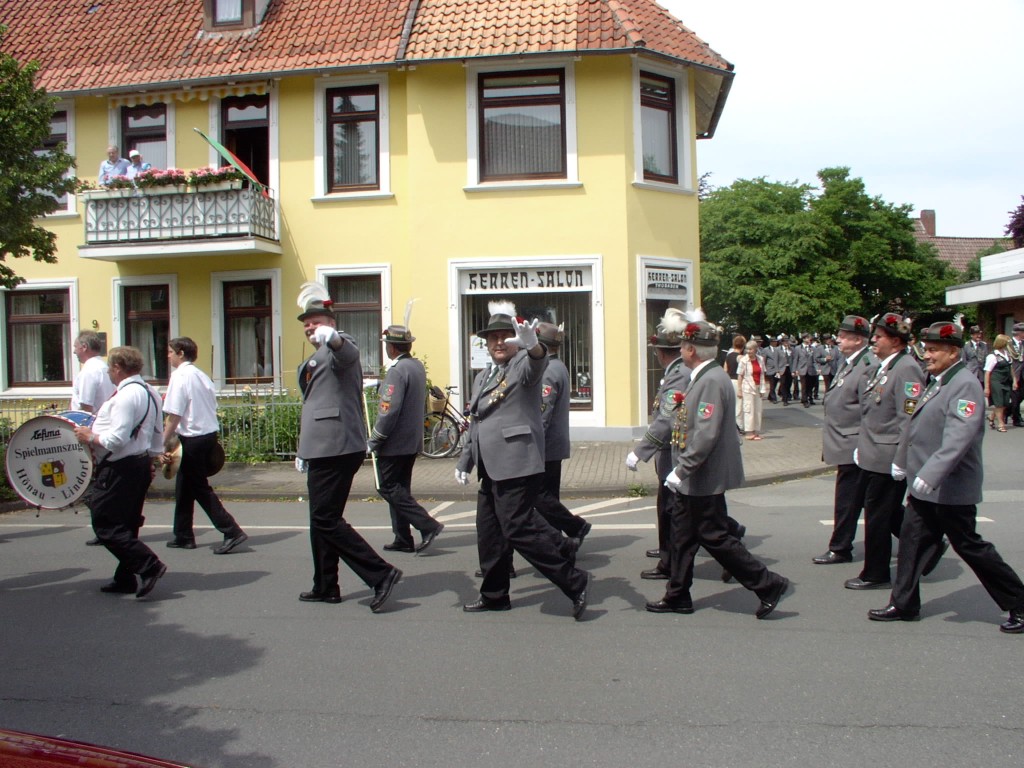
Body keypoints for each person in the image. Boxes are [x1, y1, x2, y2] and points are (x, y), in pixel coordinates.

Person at [870, 321, 1024, 633]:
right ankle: (904, 603)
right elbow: (914, 425)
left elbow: (959, 437)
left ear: (953, 352)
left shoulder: (964, 384)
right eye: (926, 349)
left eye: (933, 350)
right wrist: (902, 462)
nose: (926, 355)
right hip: (925, 486)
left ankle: (1019, 602)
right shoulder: (938, 380)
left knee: (970, 546)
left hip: (949, 486)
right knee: (911, 542)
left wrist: (932, 473)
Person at [455, 301, 590, 620]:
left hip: (517, 463)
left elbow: (536, 365)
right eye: (493, 338)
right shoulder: (483, 377)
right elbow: (477, 422)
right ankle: (494, 595)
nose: (499, 342)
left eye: (505, 336)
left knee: (517, 528)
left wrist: (533, 347)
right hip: (489, 466)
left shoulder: (521, 366)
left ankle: (574, 581)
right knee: (489, 531)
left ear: (515, 341)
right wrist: (465, 461)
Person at [646, 320, 789, 618]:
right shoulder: (704, 376)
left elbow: (705, 434)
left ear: (691, 350)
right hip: (697, 475)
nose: (680, 351)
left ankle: (767, 583)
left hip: (702, 474)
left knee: (714, 536)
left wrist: (681, 469)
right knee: (682, 536)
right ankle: (678, 595)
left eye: (683, 346)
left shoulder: (710, 380)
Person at [293, 282, 401, 611]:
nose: (310, 327)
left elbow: (349, 353)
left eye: (315, 321)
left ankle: (381, 574)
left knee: (325, 519)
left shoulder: (340, 345)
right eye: (306, 323)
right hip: (320, 448)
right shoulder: (315, 357)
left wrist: (335, 339)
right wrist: (303, 449)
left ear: (330, 323)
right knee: (321, 519)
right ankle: (326, 585)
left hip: (336, 447)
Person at [73, 346, 167, 598]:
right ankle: (125, 578)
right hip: (137, 464)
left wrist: (89, 436)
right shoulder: (150, 392)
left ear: (117, 367)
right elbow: (156, 434)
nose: (108, 373)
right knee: (127, 522)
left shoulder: (126, 396)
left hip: (120, 466)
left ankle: (149, 565)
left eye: (109, 368)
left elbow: (116, 440)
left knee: (104, 522)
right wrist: (150, 460)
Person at [845, 312, 925, 591]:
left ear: (896, 341)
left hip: (887, 457)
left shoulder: (907, 369)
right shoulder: (885, 367)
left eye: (879, 337)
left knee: (878, 519)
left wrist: (902, 460)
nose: (874, 341)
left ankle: (875, 572)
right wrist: (861, 446)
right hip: (872, 453)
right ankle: (927, 545)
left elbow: (908, 420)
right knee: (882, 513)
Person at [161, 337, 248, 554]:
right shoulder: (201, 375)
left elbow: (174, 414)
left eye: (170, 352)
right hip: (207, 435)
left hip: (193, 438)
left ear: (181, 353)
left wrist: (161, 442)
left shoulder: (180, 376)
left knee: (198, 487)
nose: (168, 356)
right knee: (184, 486)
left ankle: (231, 530)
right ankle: (183, 535)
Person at [627, 308, 693, 580]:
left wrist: (641, 450)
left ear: (661, 352)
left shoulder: (677, 373)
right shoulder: (675, 370)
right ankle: (667, 551)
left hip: (671, 450)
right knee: (672, 508)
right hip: (669, 449)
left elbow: (666, 417)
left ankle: (669, 561)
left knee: (671, 509)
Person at [368, 322, 444, 554]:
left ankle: (427, 525)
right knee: (400, 489)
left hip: (393, 442)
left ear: (391, 348)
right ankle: (402, 537)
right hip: (411, 440)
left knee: (387, 487)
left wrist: (375, 439)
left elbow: (389, 410)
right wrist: (381, 384)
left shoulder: (397, 370)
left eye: (386, 345)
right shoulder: (415, 366)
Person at [814, 315, 876, 565]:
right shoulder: (850, 362)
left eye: (843, 336)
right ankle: (925, 540)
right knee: (868, 501)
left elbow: (870, 410)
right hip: (845, 441)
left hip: (854, 443)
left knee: (848, 500)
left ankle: (840, 547)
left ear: (858, 340)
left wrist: (863, 444)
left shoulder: (867, 365)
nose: (838, 339)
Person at [532, 322, 592, 543]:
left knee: (538, 495)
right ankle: (555, 541)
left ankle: (575, 527)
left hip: (545, 446)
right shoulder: (558, 366)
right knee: (549, 496)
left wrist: (531, 445)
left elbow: (542, 414)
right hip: (553, 445)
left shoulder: (547, 370)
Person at [71, 331, 117, 546]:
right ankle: (111, 525)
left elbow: (86, 407)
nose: (74, 351)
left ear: (84, 347)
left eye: (75, 347)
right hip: (102, 429)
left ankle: (106, 528)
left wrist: (82, 433)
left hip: (91, 431)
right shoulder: (103, 367)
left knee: (96, 485)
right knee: (103, 483)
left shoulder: (90, 371)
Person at [735, 339, 767, 440]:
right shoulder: (743, 360)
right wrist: (739, 390)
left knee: (758, 410)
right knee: (749, 409)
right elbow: (740, 376)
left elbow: (762, 375)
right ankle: (749, 433)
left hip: (758, 387)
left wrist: (763, 389)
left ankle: (756, 431)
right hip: (747, 387)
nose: (748, 351)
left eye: (750, 349)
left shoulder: (760, 359)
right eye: (747, 349)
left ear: (755, 349)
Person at [983, 334, 1013, 432]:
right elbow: (987, 372)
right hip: (996, 381)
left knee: (1005, 403)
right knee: (998, 403)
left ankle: (991, 416)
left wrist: (1014, 380)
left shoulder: (1007, 354)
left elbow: (1011, 368)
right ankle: (1001, 424)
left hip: (1006, 381)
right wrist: (987, 387)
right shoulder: (992, 356)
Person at [723, 335, 746, 431]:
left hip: (730, 381)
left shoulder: (728, 356)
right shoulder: (741, 357)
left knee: (732, 404)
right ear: (743, 345)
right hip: (738, 382)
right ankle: (739, 425)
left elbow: (725, 370)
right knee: (739, 405)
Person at [792, 333, 816, 407]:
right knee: (804, 386)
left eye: (809, 338)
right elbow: (795, 359)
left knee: (810, 385)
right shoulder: (798, 348)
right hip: (802, 369)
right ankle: (804, 400)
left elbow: (814, 359)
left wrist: (817, 368)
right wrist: (794, 370)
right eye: (808, 338)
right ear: (804, 339)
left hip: (811, 369)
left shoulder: (812, 348)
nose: (809, 339)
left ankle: (810, 397)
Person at [1008, 322, 1024, 427]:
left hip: (1023, 375)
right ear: (1019, 333)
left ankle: (1006, 411)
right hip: (1014, 375)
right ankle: (1016, 418)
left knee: (1020, 397)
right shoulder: (1009, 344)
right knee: (1015, 398)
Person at [763, 336, 780, 403]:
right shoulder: (766, 350)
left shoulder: (778, 349)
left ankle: (770, 396)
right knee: (772, 384)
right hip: (770, 369)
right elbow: (764, 360)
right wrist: (764, 369)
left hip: (777, 369)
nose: (775, 343)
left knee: (775, 383)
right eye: (774, 341)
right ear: (770, 342)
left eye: (776, 341)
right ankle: (773, 398)